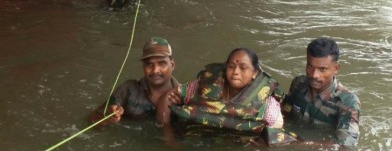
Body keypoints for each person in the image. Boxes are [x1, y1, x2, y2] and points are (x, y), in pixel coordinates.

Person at [157, 47, 297, 146]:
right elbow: (167, 96)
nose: (235, 72)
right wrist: (168, 135)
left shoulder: (268, 106)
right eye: (231, 66)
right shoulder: (202, 86)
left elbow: (276, 136)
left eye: (243, 68)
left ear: (255, 73)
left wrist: (261, 145)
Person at [282, 37, 361, 147]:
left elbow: (345, 144)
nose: (314, 75)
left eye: (322, 69)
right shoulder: (298, 84)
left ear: (336, 68)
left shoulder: (347, 102)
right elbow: (285, 111)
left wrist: (302, 144)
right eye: (310, 66)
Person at [90, 37, 179, 125]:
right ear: (143, 67)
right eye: (149, 64)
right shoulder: (128, 90)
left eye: (161, 63)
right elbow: (92, 120)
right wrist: (108, 118)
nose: (155, 70)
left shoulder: (185, 97)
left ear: (172, 65)